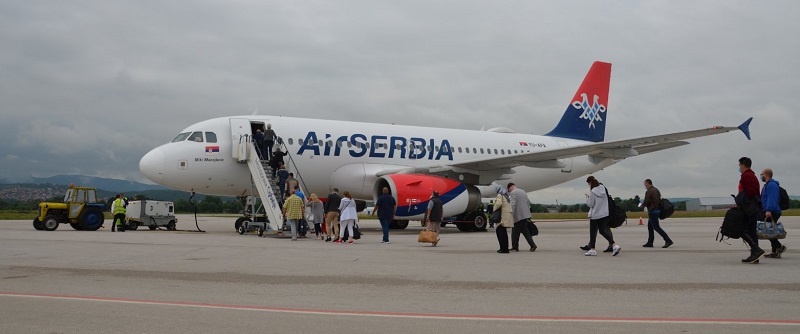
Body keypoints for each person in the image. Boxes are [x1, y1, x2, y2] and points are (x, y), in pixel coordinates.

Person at [582, 176, 621, 256]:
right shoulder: (603, 188)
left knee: (592, 232)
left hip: (595, 215)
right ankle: (614, 245)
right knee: (602, 231)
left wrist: (587, 199)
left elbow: (591, 204)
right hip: (604, 214)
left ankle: (592, 249)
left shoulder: (593, 191)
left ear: (590, 183)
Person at [738, 157, 765, 264]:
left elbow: (750, 191)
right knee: (751, 231)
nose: (739, 167)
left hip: (749, 208)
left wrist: (743, 202)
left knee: (742, 229)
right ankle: (755, 254)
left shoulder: (747, 175)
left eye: (740, 165)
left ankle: (756, 250)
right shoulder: (750, 175)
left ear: (744, 165)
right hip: (751, 207)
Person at [761, 168, 787, 258]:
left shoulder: (771, 185)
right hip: (772, 210)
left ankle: (779, 247)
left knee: (768, 231)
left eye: (762, 174)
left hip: (772, 211)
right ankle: (775, 251)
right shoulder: (768, 185)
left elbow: (772, 199)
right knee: (770, 231)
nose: (761, 176)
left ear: (767, 175)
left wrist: (768, 210)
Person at [641, 179, 673, 249]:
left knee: (656, 227)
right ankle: (650, 242)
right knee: (650, 227)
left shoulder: (649, 191)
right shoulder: (656, 190)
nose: (645, 186)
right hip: (656, 211)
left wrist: (642, 205)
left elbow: (647, 201)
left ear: (647, 183)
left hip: (653, 211)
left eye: (645, 184)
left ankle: (668, 240)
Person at [508, 183, 536, 252]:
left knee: (515, 232)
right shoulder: (523, 191)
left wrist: (511, 214)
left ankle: (515, 247)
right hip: (525, 215)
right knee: (525, 231)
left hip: (518, 216)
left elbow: (513, 205)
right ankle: (532, 245)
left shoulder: (513, 193)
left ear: (510, 188)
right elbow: (527, 203)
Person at [492, 184, 513, 253]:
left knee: (500, 233)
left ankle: (503, 249)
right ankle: (505, 248)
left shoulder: (500, 195)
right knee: (504, 234)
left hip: (502, 217)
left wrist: (494, 209)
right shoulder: (506, 196)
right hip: (506, 216)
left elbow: (498, 204)